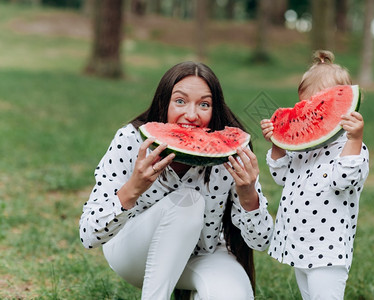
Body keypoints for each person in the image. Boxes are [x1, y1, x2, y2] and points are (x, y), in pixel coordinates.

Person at [79, 61, 274, 300]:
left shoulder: (229, 154)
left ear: (215, 110)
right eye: (180, 101)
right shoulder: (131, 140)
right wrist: (133, 188)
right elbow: (88, 235)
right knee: (188, 201)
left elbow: (262, 241)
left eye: (204, 104)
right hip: (133, 253)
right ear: (163, 103)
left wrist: (248, 195)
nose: (191, 115)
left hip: (203, 254)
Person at [260, 50, 369, 300]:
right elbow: (281, 176)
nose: (312, 112)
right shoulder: (304, 149)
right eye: (306, 106)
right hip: (298, 246)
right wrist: (277, 142)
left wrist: (355, 138)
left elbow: (344, 179)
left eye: (322, 106)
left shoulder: (352, 149)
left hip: (327, 252)